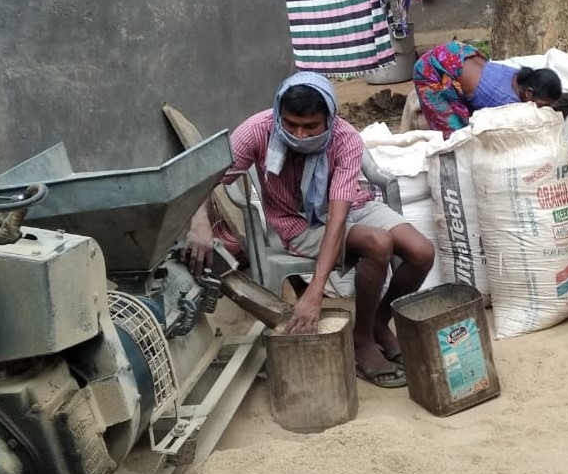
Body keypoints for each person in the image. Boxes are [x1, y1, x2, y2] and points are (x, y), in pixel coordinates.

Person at [185, 71, 436, 388]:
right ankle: (361, 342)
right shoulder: (258, 129)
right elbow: (209, 176)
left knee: (421, 252)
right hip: (295, 220)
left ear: (329, 119)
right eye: (290, 125)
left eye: (310, 127)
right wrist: (200, 224)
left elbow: (338, 215)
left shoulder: (344, 139)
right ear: (279, 113)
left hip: (349, 207)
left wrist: (315, 291)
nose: (299, 135)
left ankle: (376, 324)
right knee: (378, 243)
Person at [413, 40, 563, 137]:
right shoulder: (506, 102)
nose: (544, 110)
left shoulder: (520, 77)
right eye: (542, 105)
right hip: (430, 69)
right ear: (528, 93)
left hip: (456, 53)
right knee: (456, 137)